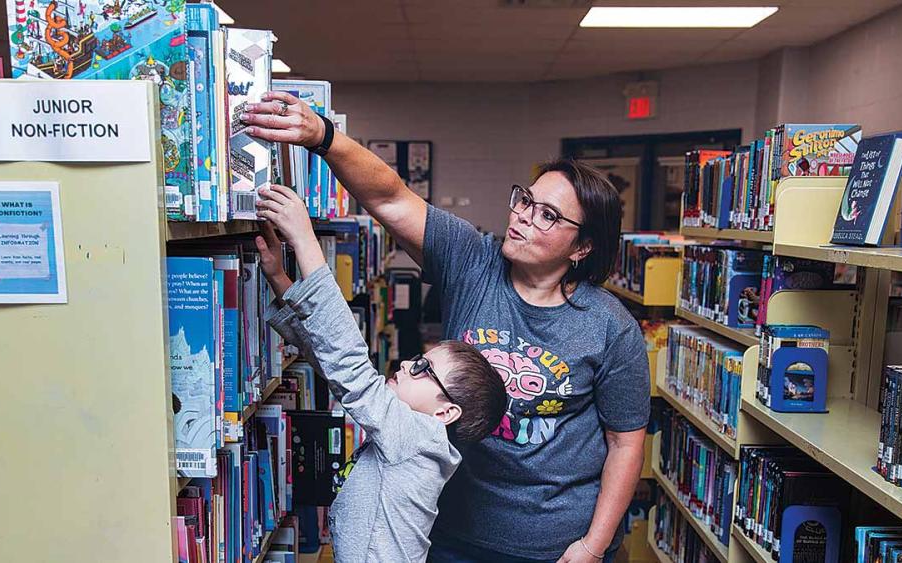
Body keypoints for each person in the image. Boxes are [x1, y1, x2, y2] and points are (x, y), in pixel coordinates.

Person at [243, 93, 650, 563]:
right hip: (454, 529)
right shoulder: (473, 260)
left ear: (582, 248)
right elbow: (390, 197)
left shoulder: (610, 327)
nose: (522, 217)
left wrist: (592, 547)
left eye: (549, 215)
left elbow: (625, 443)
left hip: (556, 545)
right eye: (526, 200)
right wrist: (324, 138)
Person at [254, 184, 507, 562]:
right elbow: (334, 366)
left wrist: (305, 240)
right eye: (417, 359)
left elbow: (350, 366)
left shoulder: (420, 439)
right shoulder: (413, 436)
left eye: (424, 369)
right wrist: (281, 282)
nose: (407, 364)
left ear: (445, 412)